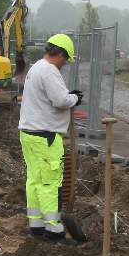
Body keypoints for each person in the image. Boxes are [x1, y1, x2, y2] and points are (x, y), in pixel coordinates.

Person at [18, 33, 81, 241]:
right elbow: (61, 100)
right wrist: (75, 98)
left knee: (35, 181)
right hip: (45, 138)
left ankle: (36, 227)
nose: (64, 64)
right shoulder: (49, 71)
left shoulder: (36, 68)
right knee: (49, 184)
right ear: (60, 54)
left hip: (30, 135)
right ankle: (53, 232)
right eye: (65, 59)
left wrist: (67, 97)